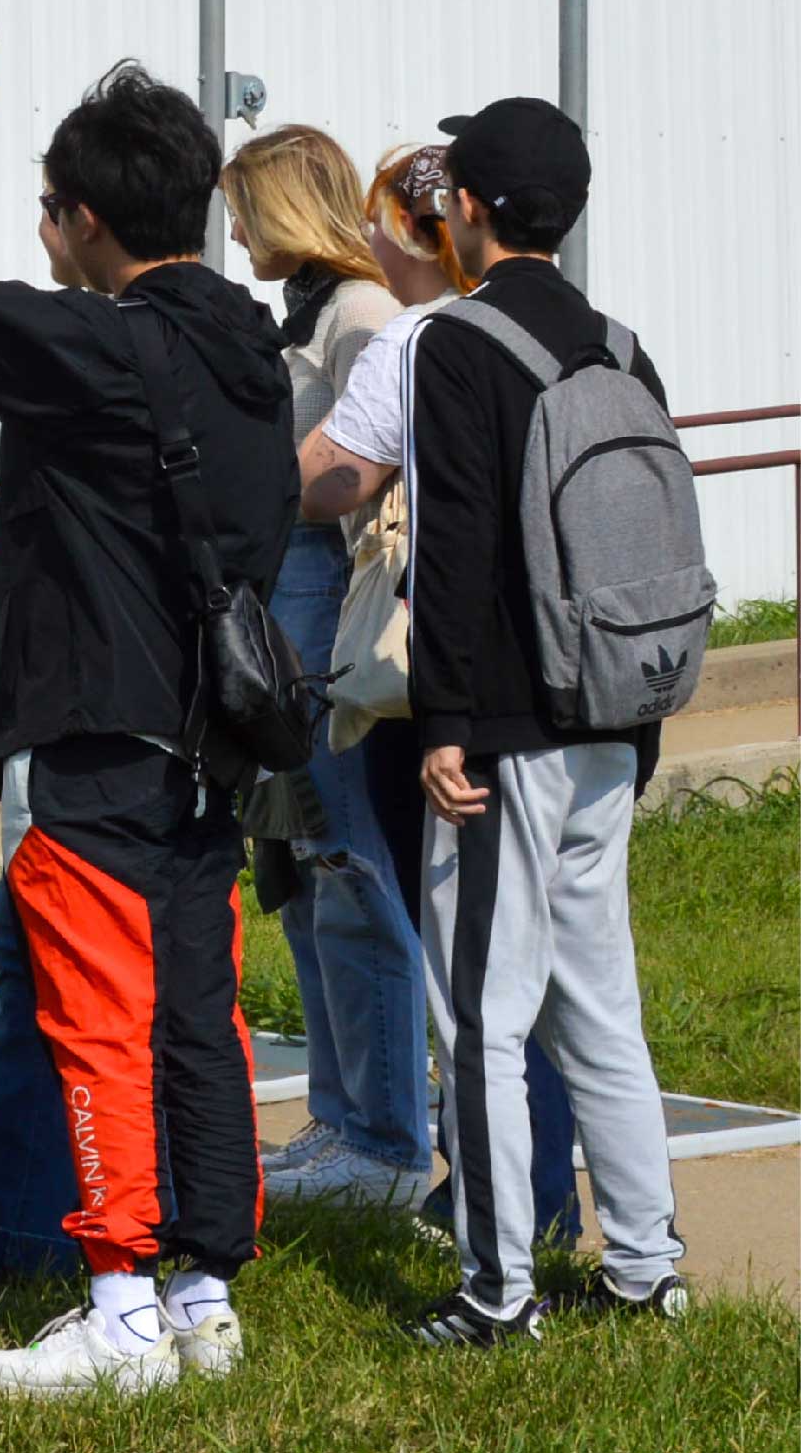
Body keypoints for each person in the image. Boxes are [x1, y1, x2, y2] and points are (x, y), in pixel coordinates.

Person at [0, 21, 295, 1397]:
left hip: (100, 740)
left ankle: (115, 1309)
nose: (38, 233)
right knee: (197, 1016)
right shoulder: (247, 350)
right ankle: (199, 1294)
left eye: (46, 209)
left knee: (96, 1018)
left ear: (90, 219)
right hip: (207, 748)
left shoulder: (104, 348)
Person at [397, 96, 692, 1346]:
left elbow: (454, 547)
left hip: (504, 733)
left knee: (481, 1016)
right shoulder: (621, 350)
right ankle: (644, 1267)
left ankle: (494, 1289)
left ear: (466, 212)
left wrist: (441, 724)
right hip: (612, 717)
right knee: (600, 1008)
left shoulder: (451, 345)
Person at [298, 145, 583, 1249]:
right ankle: (568, 1205)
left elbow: (336, 475)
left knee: (466, 964)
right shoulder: (562, 329)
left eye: (374, 221)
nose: (361, 242)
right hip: (553, 675)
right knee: (552, 958)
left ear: (415, 229)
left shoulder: (413, 343)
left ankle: (494, 1203)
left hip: (436, 692)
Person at [218, 127, 423, 1207]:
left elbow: (370, 465)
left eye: (245, 210)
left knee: (348, 868)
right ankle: (340, 1116)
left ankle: (384, 1138)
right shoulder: (305, 310)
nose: (235, 232)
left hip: (327, 599)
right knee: (301, 873)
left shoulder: (357, 314)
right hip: (280, 602)